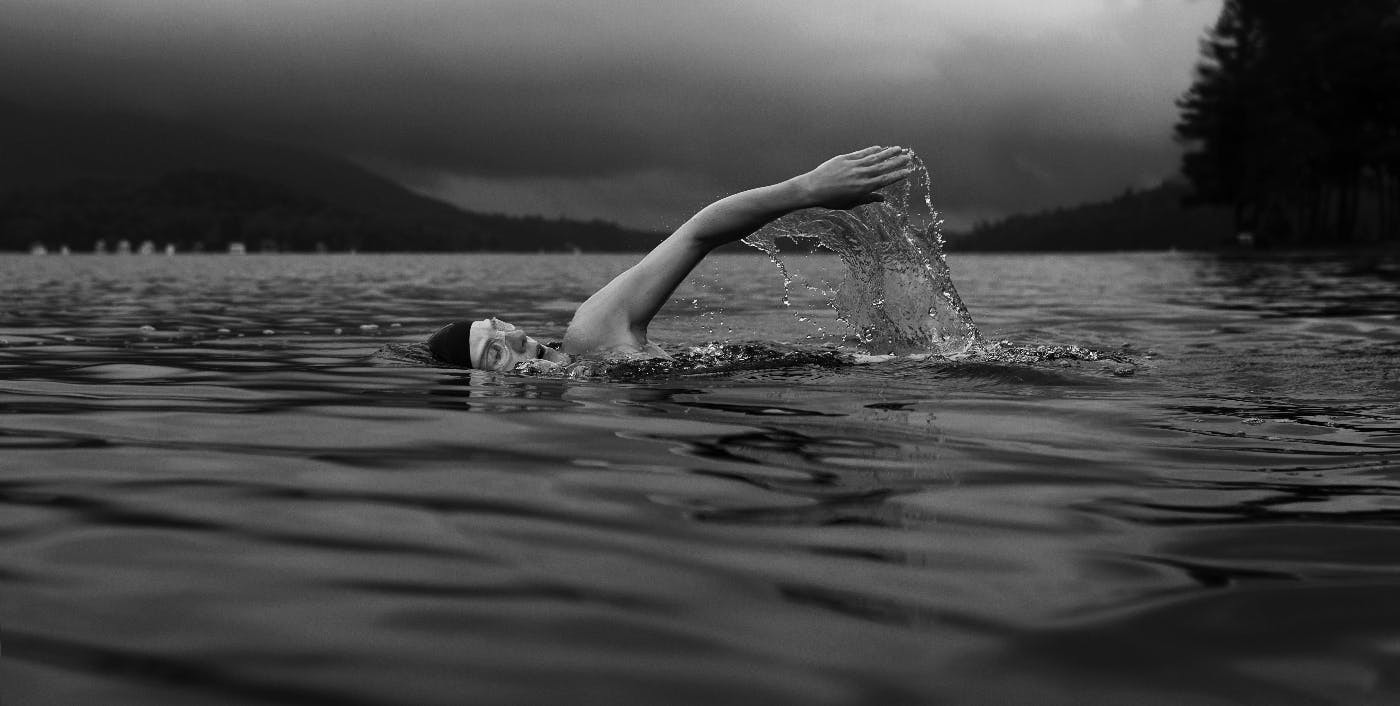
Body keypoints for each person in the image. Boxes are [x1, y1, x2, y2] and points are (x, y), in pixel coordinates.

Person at [427, 146, 914, 371]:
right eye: (495, 352)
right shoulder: (583, 391)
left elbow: (697, 234)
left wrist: (806, 189)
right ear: (485, 392)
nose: (515, 335)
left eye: (497, 325)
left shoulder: (591, 334)